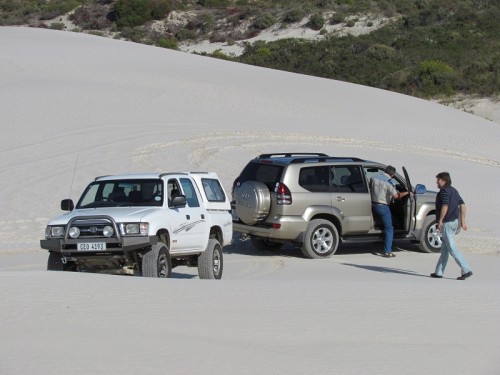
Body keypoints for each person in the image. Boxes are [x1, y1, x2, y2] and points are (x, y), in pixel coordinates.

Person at [430, 172, 472, 280]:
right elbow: (462, 205)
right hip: (454, 222)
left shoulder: (444, 191)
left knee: (452, 248)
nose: (436, 182)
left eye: (438, 180)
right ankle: (438, 272)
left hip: (447, 223)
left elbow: (445, 205)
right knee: (445, 249)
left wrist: (440, 220)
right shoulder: (454, 190)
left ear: (444, 180)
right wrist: (462, 221)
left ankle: (466, 270)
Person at [369, 165, 409, 257]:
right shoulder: (389, 182)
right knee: (389, 228)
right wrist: (407, 193)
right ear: (393, 175)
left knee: (384, 224)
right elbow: (396, 196)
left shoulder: (374, 177)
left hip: (373, 204)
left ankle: (381, 240)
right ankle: (388, 251)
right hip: (383, 206)